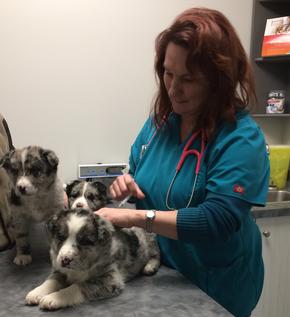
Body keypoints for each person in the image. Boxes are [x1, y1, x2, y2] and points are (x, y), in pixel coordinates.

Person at [96, 7, 269, 317]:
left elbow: (218, 219)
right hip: (168, 274)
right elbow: (136, 170)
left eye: (188, 78)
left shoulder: (241, 139)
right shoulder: (161, 123)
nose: (173, 88)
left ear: (218, 81)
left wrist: (138, 219)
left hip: (219, 285)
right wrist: (127, 183)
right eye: (168, 72)